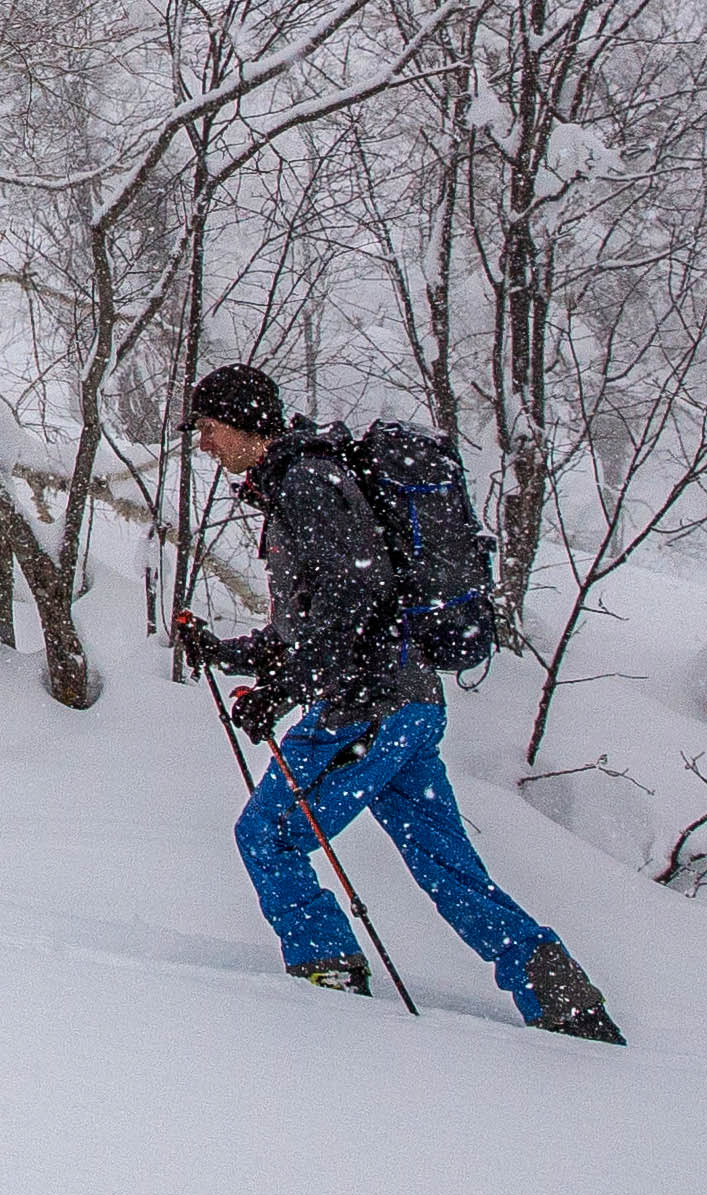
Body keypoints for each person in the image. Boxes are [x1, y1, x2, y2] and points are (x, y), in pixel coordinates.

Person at [170, 362, 623, 1043]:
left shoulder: (307, 482)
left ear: (242, 422)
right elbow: (315, 621)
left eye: (207, 429)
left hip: (366, 710)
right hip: (405, 706)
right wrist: (228, 650)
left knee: (267, 834)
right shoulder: (306, 479)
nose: (203, 444)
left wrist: (284, 691)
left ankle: (329, 972)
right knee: (445, 866)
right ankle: (558, 992)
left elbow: (358, 598)